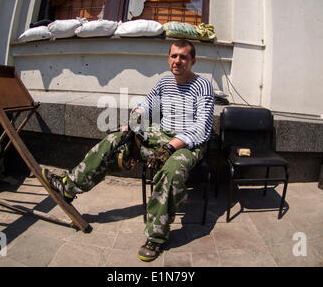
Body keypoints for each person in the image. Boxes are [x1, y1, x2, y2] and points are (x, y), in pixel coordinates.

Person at [42, 39, 215, 261]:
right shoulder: (164, 83)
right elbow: (147, 104)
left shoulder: (202, 85)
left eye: (183, 57)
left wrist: (171, 146)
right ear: (168, 58)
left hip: (189, 143)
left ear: (193, 61)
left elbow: (203, 126)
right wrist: (134, 121)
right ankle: (69, 186)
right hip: (161, 135)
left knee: (171, 172)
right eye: (174, 56)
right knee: (115, 140)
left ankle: (157, 237)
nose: (177, 61)